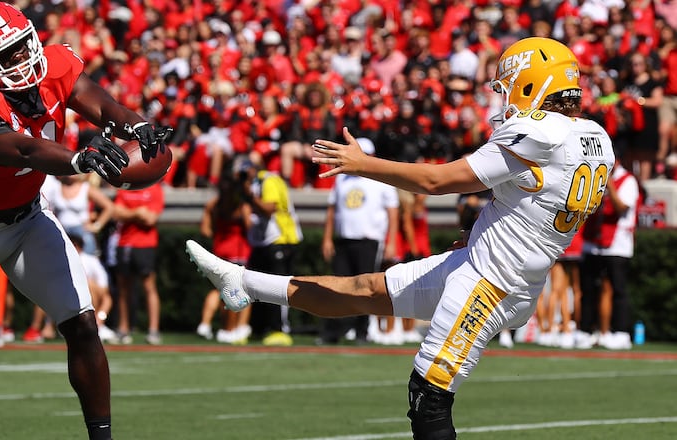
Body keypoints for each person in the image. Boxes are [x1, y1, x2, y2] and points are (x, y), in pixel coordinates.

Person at [186, 37, 615, 439]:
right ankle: (242, 284)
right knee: (364, 289)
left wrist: (362, 163)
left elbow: (436, 180)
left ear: (530, 84)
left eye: (508, 89)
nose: (503, 101)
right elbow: (536, 200)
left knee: (428, 397)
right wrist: (484, 230)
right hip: (494, 270)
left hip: (490, 283)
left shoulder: (541, 132)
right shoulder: (595, 137)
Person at [0, 2, 172, 439]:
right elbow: (21, 150)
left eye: (24, 46)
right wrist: (77, 159)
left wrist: (134, 124)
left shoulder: (55, 62)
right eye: (9, 55)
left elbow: (99, 102)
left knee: (81, 321)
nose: (23, 59)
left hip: (30, 219)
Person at [319, 138, 399, 345]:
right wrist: (327, 238)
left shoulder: (381, 179)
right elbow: (332, 210)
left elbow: (393, 213)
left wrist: (391, 242)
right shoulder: (342, 178)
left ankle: (362, 331)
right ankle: (333, 331)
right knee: (336, 286)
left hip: (369, 241)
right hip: (344, 239)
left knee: (365, 287)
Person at [576, 157, 640, 350]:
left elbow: (622, 207)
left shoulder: (628, 180)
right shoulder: (595, 175)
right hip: (593, 241)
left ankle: (620, 331)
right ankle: (586, 331)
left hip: (617, 244)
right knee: (588, 290)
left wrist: (610, 186)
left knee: (617, 289)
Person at [239, 156, 302, 346]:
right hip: (263, 242)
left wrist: (249, 196)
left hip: (281, 239)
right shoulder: (253, 184)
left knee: (278, 287)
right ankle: (260, 328)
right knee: (256, 286)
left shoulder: (269, 180)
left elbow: (269, 208)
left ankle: (279, 328)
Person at [196, 171, 253, 344]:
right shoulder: (241, 206)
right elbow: (251, 227)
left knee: (218, 291)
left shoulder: (214, 205)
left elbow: (205, 230)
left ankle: (206, 325)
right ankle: (236, 329)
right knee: (243, 292)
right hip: (239, 253)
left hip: (220, 252)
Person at [111, 181, 165, 345]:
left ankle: (153, 330)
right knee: (123, 289)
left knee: (149, 287)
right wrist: (137, 212)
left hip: (145, 244)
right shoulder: (125, 187)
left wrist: (129, 213)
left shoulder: (154, 189)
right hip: (125, 244)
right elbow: (116, 213)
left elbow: (150, 218)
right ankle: (123, 329)